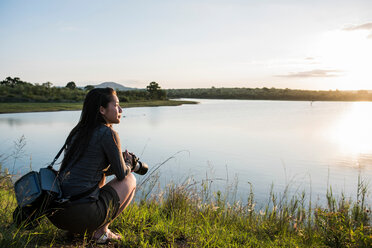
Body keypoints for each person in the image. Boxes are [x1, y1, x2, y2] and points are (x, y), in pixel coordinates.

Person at [48, 87, 137, 244]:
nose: (120, 109)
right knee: (130, 179)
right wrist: (129, 162)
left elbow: (88, 169)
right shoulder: (108, 134)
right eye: (116, 105)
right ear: (102, 110)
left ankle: (79, 230)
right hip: (82, 215)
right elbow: (122, 174)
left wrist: (116, 161)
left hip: (59, 216)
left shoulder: (77, 132)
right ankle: (101, 232)